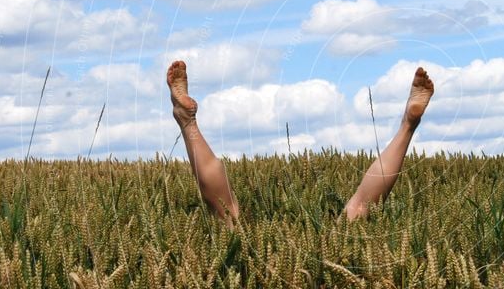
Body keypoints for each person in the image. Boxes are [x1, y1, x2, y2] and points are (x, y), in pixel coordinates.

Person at [166, 60, 434, 224]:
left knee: (226, 212)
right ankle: (408, 127)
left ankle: (187, 122)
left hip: (256, 280)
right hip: (329, 273)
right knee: (358, 209)